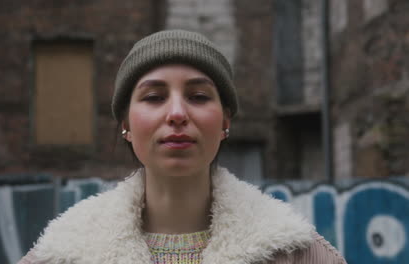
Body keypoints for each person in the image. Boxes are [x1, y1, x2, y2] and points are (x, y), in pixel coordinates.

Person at [18, 30, 346, 264]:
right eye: (154, 97)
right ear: (127, 126)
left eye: (198, 96)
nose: (177, 113)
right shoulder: (66, 251)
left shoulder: (295, 253)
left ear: (225, 122)